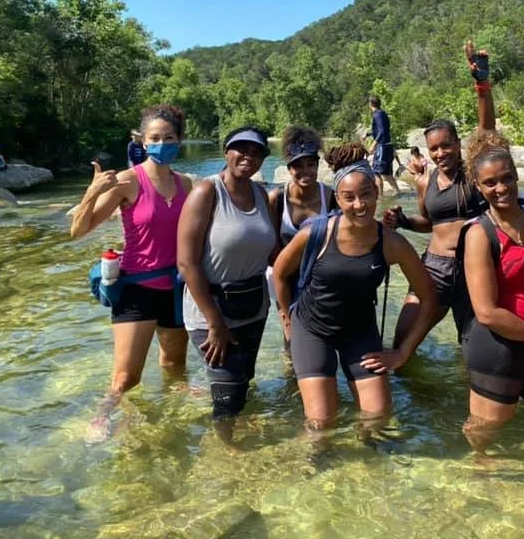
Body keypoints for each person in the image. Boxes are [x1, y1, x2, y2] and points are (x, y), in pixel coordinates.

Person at [272, 143, 437, 436]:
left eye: (365, 195)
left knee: (377, 420)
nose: (359, 205)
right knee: (321, 424)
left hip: (359, 331)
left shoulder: (391, 243)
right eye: (349, 198)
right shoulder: (316, 233)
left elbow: (429, 297)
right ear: (338, 199)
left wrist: (401, 354)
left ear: (377, 192)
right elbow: (280, 274)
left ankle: (368, 470)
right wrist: (287, 319)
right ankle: (317, 468)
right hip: (312, 329)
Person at [70, 104, 192, 442]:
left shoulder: (187, 185)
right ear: (142, 140)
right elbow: (78, 231)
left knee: (174, 369)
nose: (161, 144)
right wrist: (92, 191)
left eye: (168, 138)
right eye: (154, 138)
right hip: (137, 288)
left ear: (179, 140)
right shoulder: (126, 181)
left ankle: (166, 426)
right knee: (125, 379)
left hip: (176, 290)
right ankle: (102, 416)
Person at [384, 40, 497, 352]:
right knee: (403, 338)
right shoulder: (425, 181)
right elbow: (430, 223)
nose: (440, 153)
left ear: (458, 143)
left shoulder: (474, 171)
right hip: (434, 266)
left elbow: (487, 131)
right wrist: (403, 220)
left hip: (474, 264)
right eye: (434, 148)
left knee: (475, 345)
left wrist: (482, 85)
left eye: (446, 145)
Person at [177, 126, 277, 444]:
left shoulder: (262, 195)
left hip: (253, 306)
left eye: (256, 151)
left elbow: (273, 253)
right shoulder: (206, 192)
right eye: (241, 149)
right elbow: (186, 263)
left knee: (243, 381)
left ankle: (237, 440)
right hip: (212, 312)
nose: (248, 156)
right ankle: (228, 455)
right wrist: (215, 323)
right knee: (226, 395)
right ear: (226, 152)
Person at [460, 130, 524, 453]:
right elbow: (486, 312)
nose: (501, 188)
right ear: (478, 186)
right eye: (490, 183)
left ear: (516, 176)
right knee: (485, 435)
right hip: (499, 348)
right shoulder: (479, 234)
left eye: (507, 178)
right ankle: (475, 482)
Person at [267, 127, 336, 348]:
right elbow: (273, 247)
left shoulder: (330, 196)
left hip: (321, 279)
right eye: (298, 165)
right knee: (292, 339)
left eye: (311, 164)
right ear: (289, 168)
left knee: (321, 338)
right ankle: (291, 378)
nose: (305, 171)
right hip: (286, 277)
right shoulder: (277, 199)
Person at [366, 95, 401, 197]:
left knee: (378, 172)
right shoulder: (382, 113)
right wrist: (368, 134)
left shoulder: (377, 115)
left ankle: (384, 196)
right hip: (386, 146)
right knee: (383, 173)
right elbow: (380, 130)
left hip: (382, 146)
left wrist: (373, 145)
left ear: (370, 104)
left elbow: (382, 131)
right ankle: (393, 193)